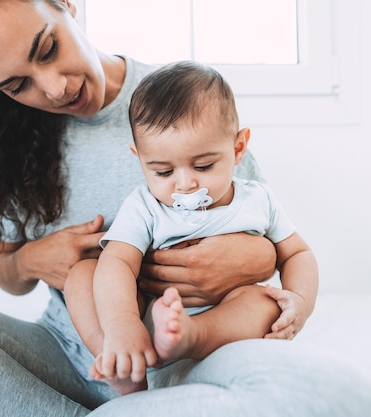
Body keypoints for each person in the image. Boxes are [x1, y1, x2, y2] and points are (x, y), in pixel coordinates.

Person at [0, 0, 371, 416]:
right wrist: (34, 260)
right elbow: (5, 268)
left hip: (193, 351)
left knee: (339, 397)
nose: (55, 87)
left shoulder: (180, 107)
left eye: (48, 48)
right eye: (17, 84)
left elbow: (268, 234)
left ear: (65, 3)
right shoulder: (8, 139)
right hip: (70, 350)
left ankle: (138, 402)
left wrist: (250, 264)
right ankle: (117, 398)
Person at [64, 61, 318, 395]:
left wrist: (300, 301)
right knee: (82, 275)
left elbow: (297, 252)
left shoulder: (257, 200)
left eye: (203, 165)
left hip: (224, 316)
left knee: (264, 302)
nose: (184, 184)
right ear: (139, 158)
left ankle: (192, 336)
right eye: (163, 172)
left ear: (238, 148)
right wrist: (122, 321)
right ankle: (117, 358)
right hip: (145, 313)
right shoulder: (145, 206)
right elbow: (118, 261)